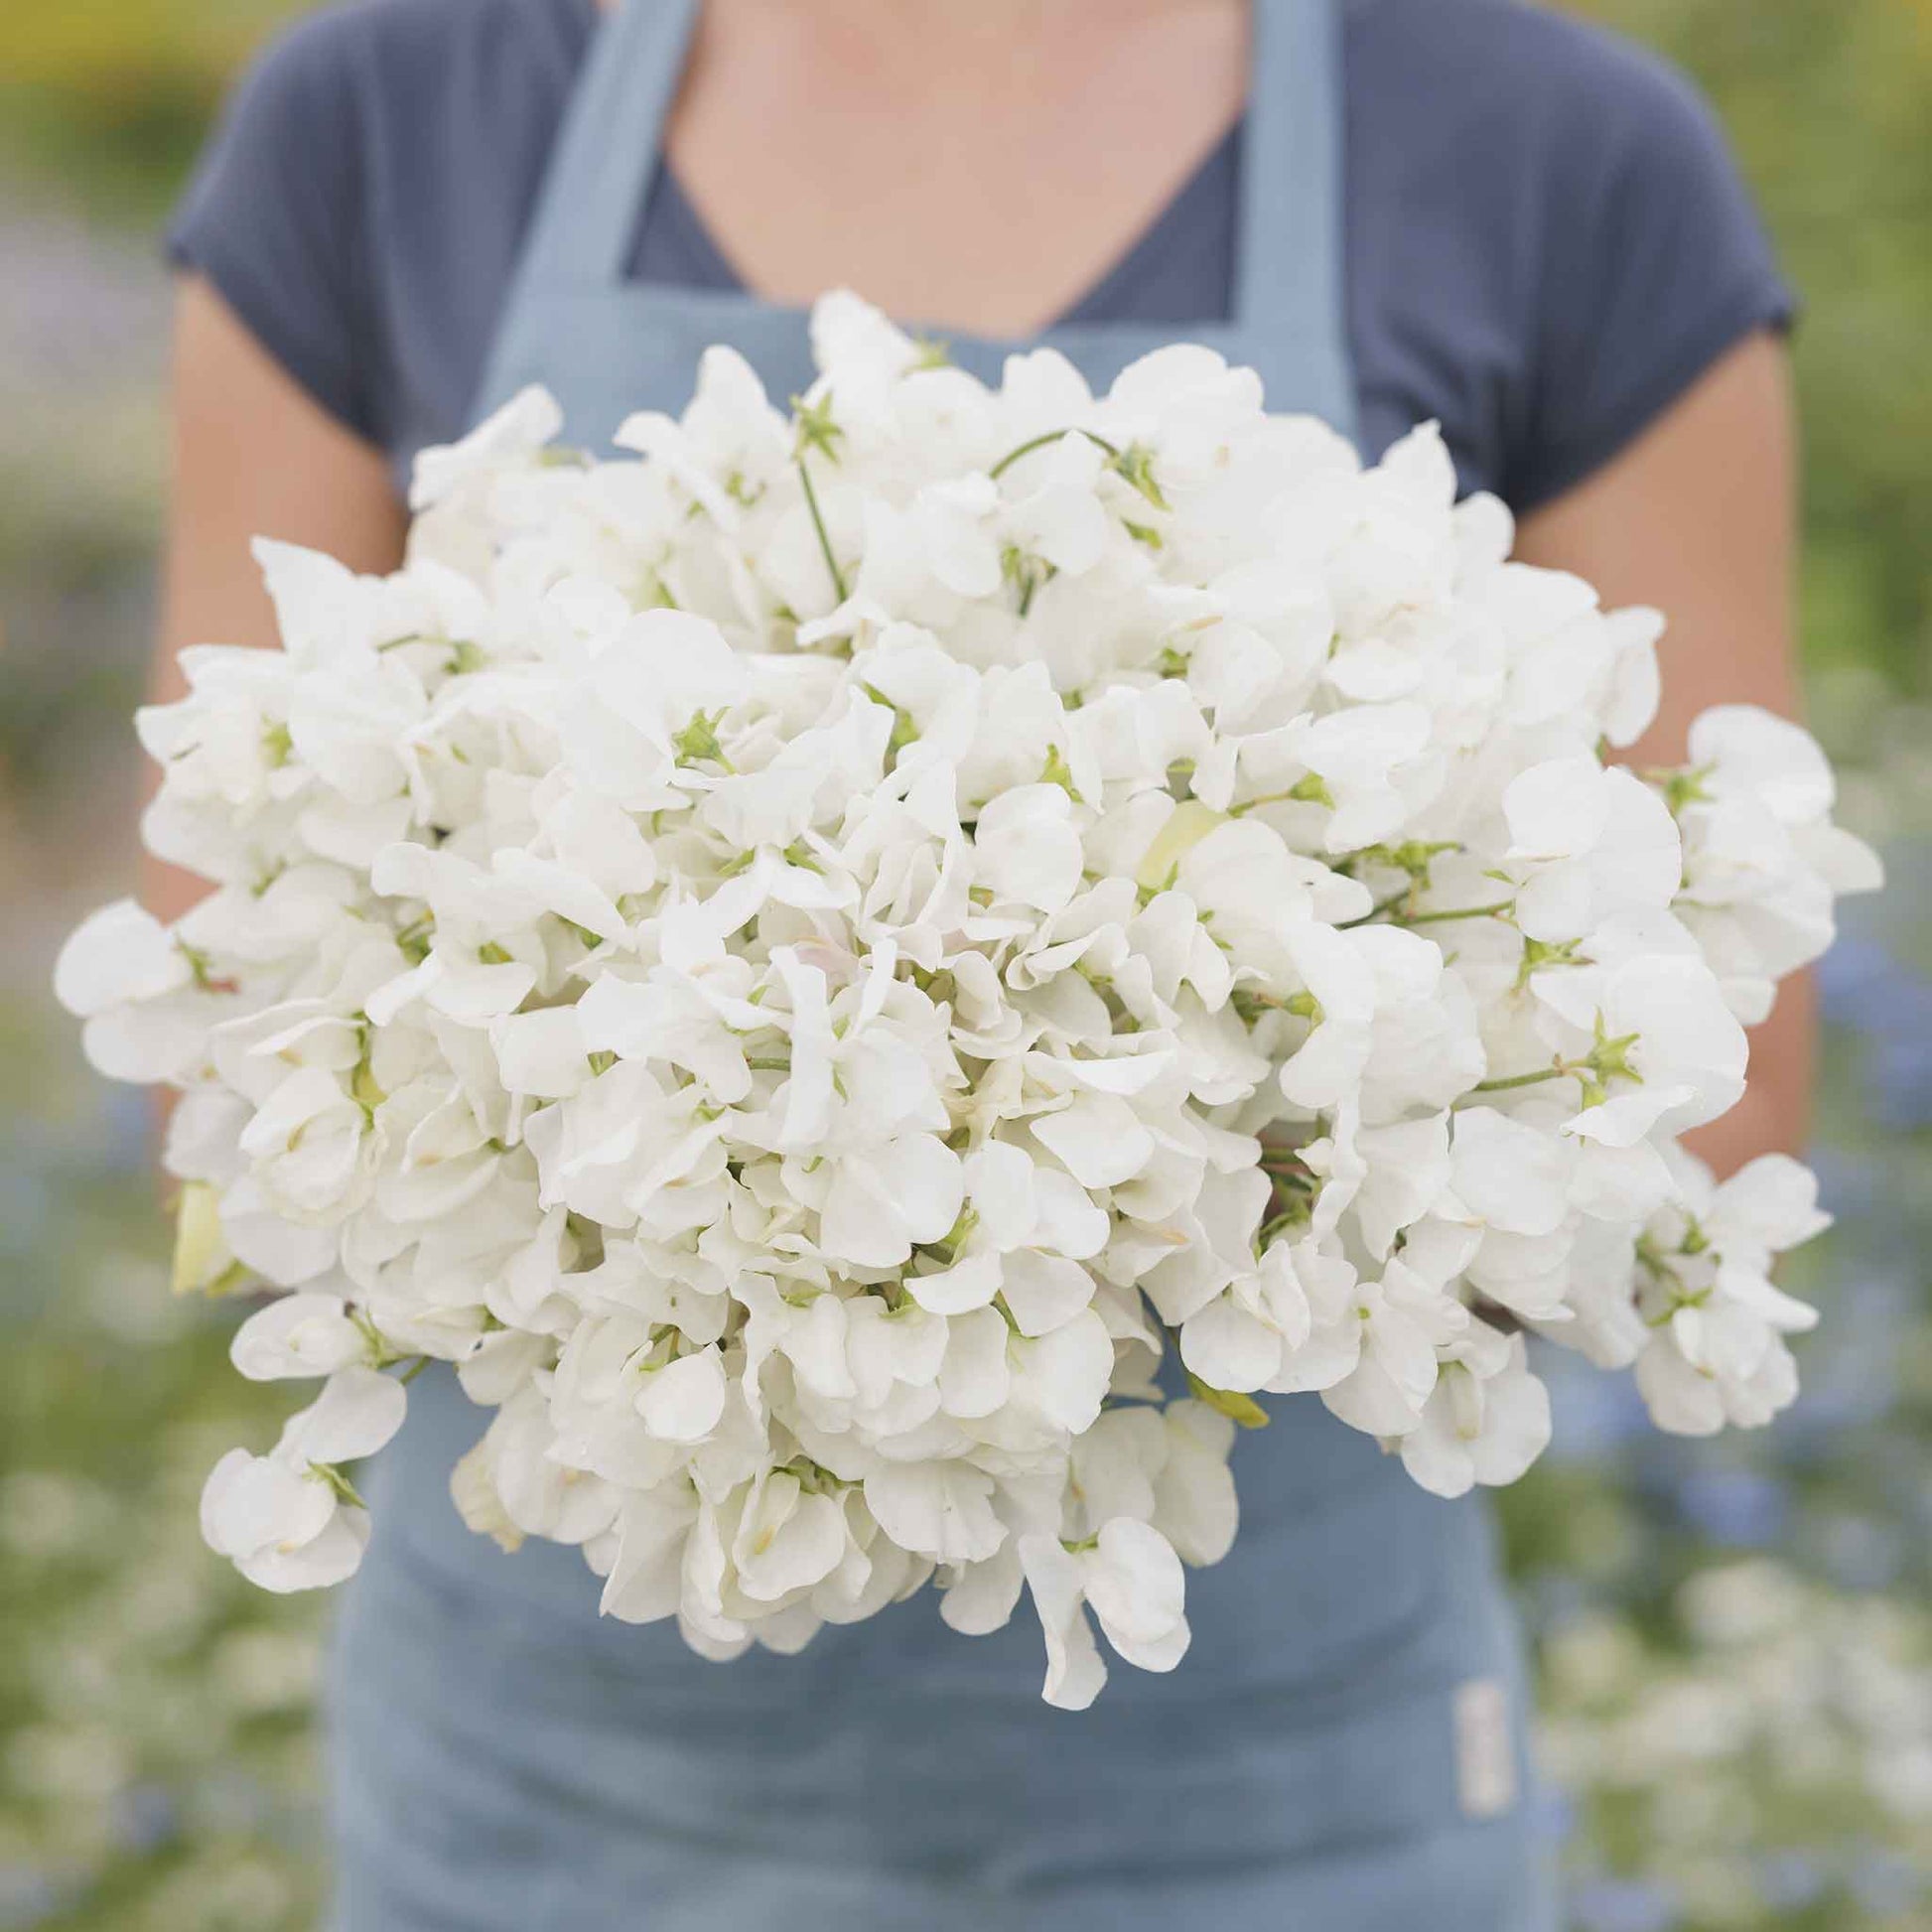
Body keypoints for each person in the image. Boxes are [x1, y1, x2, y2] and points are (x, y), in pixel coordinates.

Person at [157, 1, 1809, 1924]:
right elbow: (223, 1055)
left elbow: (1708, 1095)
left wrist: (1119, 1109)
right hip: (546, 1818)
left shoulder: (1558, 157)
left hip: (1281, 1822)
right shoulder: (386, 119)